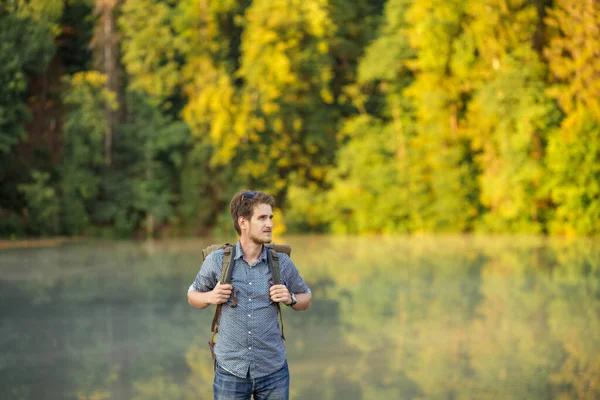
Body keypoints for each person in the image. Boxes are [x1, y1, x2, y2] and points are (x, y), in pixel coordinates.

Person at [187, 189, 312, 400]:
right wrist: (210, 297)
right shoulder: (218, 261)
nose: (270, 224)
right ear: (243, 222)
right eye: (262, 218)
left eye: (270, 217)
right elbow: (192, 295)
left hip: (274, 371)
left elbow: (306, 298)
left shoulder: (281, 262)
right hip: (230, 371)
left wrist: (291, 298)